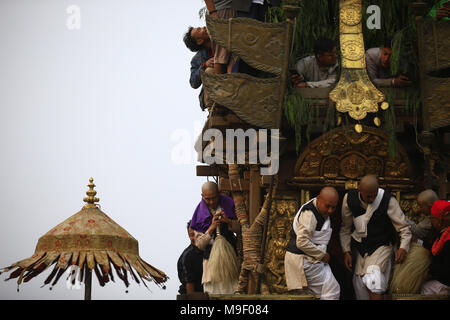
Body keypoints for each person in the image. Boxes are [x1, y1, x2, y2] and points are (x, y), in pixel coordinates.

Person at [340, 175, 412, 300]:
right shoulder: (349, 199)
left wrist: (403, 247)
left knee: (373, 279)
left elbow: (404, 228)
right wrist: (346, 251)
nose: (372, 199)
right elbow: (345, 228)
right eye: (369, 196)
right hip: (360, 249)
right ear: (359, 190)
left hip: (382, 245)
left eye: (375, 195)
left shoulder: (387, 200)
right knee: (359, 285)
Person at [284, 187, 341, 300]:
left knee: (314, 295)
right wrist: (322, 255)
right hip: (303, 259)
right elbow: (301, 242)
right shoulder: (309, 215)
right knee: (332, 290)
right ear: (318, 199)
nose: (330, 211)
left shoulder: (317, 208)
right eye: (327, 206)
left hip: (308, 259)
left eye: (333, 207)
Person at [190, 181, 240, 294]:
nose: (211, 202)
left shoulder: (230, 205)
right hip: (210, 266)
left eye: (214, 198)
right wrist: (211, 228)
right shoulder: (199, 214)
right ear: (202, 196)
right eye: (208, 199)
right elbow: (199, 245)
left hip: (230, 263)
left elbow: (244, 229)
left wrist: (228, 222)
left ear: (219, 193)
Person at [421, 200, 450, 295]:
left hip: (446, 283)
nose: (431, 220)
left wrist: (428, 273)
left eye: (432, 218)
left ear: (440, 220)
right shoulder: (443, 233)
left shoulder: (448, 242)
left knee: (425, 288)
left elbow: (444, 269)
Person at [183, 26, 214, 111]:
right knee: (210, 71)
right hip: (211, 96)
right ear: (200, 41)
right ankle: (214, 110)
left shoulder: (220, 40)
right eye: (199, 30)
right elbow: (193, 82)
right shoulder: (196, 59)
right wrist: (204, 65)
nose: (204, 27)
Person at [204, 0, 237, 74]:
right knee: (221, 56)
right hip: (221, 12)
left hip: (229, 9)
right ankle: (220, 83)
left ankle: (231, 82)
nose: (202, 29)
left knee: (232, 54)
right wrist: (213, 12)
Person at [177, 221, 204, 294]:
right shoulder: (187, 257)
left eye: (197, 234)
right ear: (188, 236)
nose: (195, 237)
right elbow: (189, 284)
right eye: (192, 235)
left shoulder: (209, 250)